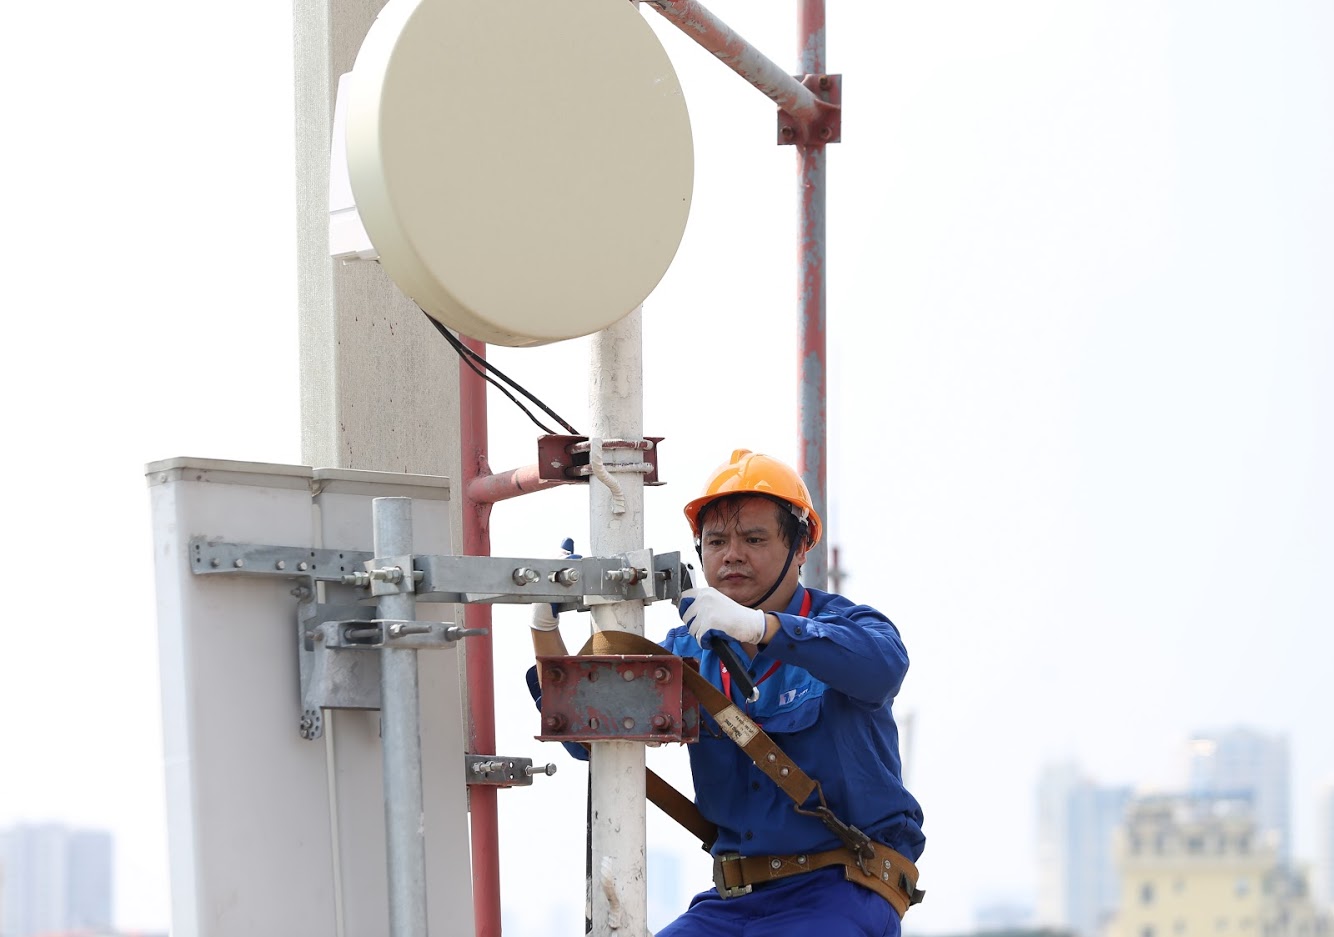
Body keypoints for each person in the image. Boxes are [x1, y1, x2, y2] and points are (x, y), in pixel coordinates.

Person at [529, 449, 925, 936]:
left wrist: (763, 628)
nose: (732, 553)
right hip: (732, 903)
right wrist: (544, 626)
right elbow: (588, 735)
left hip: (840, 890)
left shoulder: (844, 628)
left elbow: (882, 668)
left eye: (753, 538)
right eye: (715, 540)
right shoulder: (688, 654)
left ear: (801, 548)